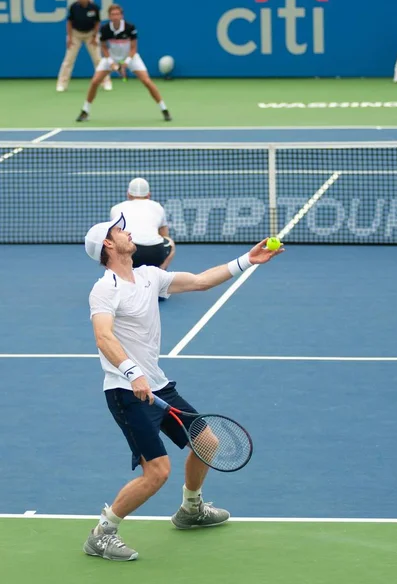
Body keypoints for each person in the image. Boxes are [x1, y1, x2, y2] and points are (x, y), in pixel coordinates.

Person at [83, 213, 284, 561]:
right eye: (120, 230)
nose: (128, 232)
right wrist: (133, 373)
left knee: (207, 441)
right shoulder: (104, 289)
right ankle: (102, 534)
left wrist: (247, 261)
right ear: (108, 245)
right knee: (157, 472)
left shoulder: (148, 276)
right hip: (125, 391)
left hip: (156, 385)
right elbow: (103, 337)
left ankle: (191, 509)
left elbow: (200, 281)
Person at [76, 4, 172, 122]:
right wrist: (111, 62)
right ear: (109, 16)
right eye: (113, 14)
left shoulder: (130, 27)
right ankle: (85, 111)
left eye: (117, 14)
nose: (115, 17)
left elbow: (133, 48)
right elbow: (104, 48)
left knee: (147, 81)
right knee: (95, 81)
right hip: (111, 58)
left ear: (121, 15)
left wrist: (126, 62)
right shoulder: (105, 29)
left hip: (130, 58)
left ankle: (164, 109)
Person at [110, 178, 175, 270]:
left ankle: (121, 273)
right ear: (148, 195)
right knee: (170, 243)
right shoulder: (158, 207)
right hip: (155, 254)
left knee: (111, 242)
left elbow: (114, 236)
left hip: (130, 254)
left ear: (128, 194)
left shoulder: (116, 208)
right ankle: (160, 273)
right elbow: (164, 235)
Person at [56, 0, 111, 92]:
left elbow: (97, 22)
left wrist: (95, 37)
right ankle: (62, 84)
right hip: (76, 34)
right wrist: (69, 38)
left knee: (98, 60)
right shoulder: (73, 7)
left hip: (91, 34)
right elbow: (69, 23)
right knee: (68, 60)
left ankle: (106, 82)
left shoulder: (94, 7)